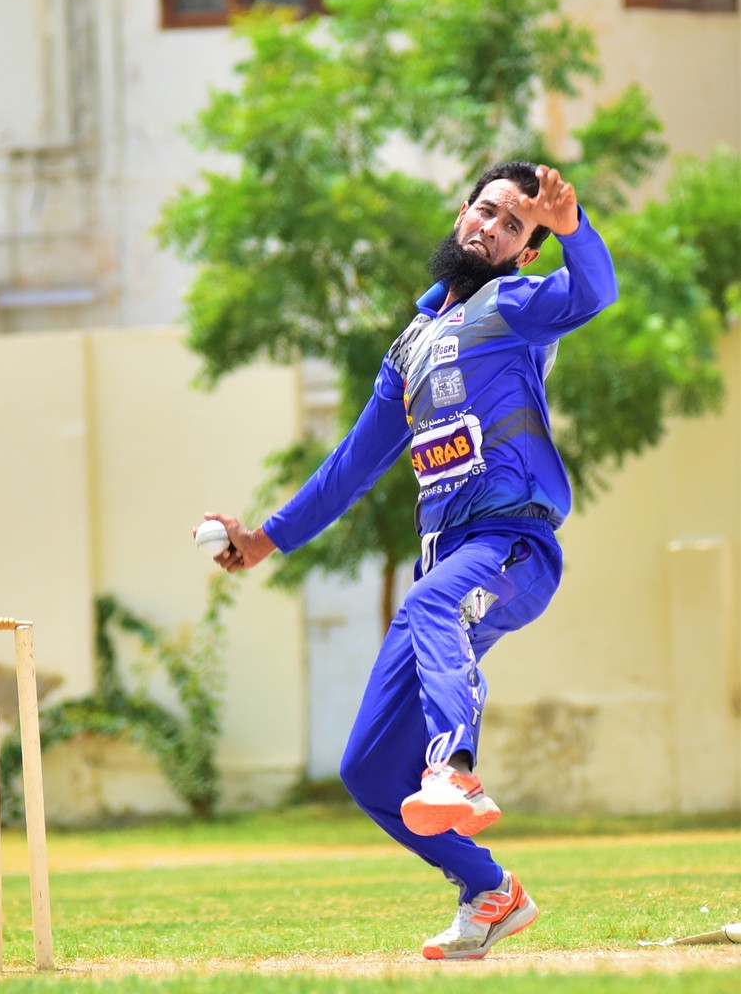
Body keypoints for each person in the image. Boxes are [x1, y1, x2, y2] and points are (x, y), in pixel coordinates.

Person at [200, 162, 618, 961]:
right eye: (486, 212)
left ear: (525, 252)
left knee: (430, 606)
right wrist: (263, 540)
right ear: (462, 211)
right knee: (365, 770)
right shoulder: (410, 345)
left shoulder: (517, 305)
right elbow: (351, 466)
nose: (491, 230)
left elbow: (593, 293)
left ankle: (454, 767)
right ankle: (490, 892)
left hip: (511, 546)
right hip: (447, 567)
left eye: (513, 227)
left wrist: (572, 228)